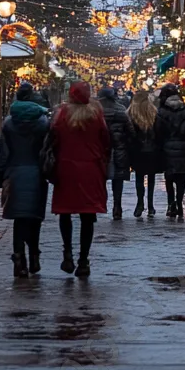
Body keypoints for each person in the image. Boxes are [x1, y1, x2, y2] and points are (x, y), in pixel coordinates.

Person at [49, 80, 109, 277]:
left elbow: (53, 138)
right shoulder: (96, 114)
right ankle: (83, 260)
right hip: (90, 168)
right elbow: (106, 139)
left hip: (66, 167)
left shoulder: (62, 114)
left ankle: (67, 252)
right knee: (87, 216)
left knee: (65, 213)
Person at [0, 82, 50, 278]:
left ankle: (19, 258)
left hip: (15, 174)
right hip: (36, 174)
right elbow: (47, 152)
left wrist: (0, 175)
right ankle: (34, 255)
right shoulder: (43, 122)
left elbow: (4, 153)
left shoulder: (9, 123)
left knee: (19, 220)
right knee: (35, 218)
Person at [155, 83, 185, 220]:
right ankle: (179, 203)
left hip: (167, 148)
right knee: (181, 179)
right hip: (183, 147)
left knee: (169, 178)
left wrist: (158, 148)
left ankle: (171, 203)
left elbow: (157, 132)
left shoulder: (161, 111)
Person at [97, 85, 131, 219]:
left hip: (100, 150)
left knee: (100, 178)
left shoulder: (95, 111)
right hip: (119, 149)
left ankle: (101, 203)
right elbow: (130, 132)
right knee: (118, 180)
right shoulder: (121, 111)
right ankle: (117, 206)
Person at [126, 89, 160, 217]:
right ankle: (150, 205)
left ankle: (140, 203)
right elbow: (158, 132)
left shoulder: (131, 113)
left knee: (139, 178)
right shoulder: (154, 112)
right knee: (151, 179)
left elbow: (129, 134)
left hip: (137, 151)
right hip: (152, 151)